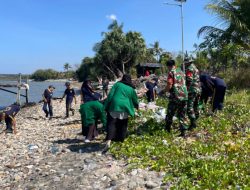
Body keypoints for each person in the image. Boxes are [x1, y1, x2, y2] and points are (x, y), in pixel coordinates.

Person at [103, 74, 138, 151]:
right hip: (125, 107)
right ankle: (121, 141)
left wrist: (106, 106)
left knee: (111, 123)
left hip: (115, 105)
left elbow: (110, 95)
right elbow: (135, 99)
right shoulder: (131, 88)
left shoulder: (117, 84)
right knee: (123, 124)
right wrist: (137, 106)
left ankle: (108, 141)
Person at [165, 60, 189, 137]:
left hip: (176, 96)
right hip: (184, 96)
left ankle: (167, 129)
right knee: (182, 114)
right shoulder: (181, 72)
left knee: (170, 112)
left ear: (169, 66)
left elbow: (169, 84)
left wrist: (164, 91)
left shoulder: (171, 72)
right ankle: (184, 133)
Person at [184, 58, 201, 130]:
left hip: (192, 90)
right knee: (195, 106)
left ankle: (193, 124)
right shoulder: (195, 68)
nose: (185, 64)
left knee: (189, 107)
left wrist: (186, 90)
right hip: (198, 89)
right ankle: (196, 121)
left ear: (188, 63)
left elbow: (189, 80)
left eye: (185, 63)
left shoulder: (189, 69)